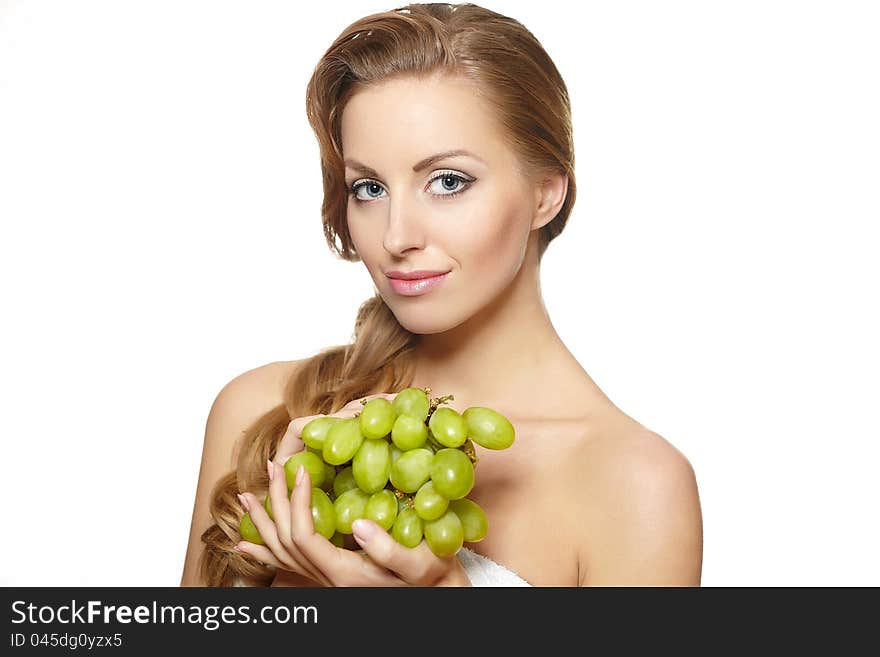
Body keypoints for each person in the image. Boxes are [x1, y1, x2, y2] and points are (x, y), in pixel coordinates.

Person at [180, 2, 703, 587]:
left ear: (545, 195)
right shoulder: (259, 413)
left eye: (447, 181)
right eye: (369, 187)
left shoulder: (636, 486)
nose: (397, 237)